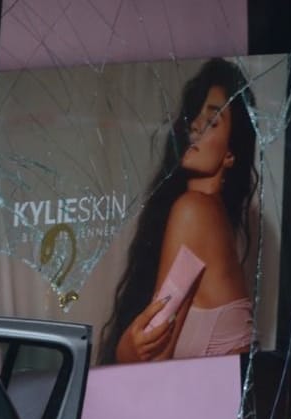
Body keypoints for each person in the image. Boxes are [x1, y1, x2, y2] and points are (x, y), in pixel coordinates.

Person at [104, 58, 259, 364]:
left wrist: (124, 352)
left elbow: (153, 355)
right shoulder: (213, 220)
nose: (196, 125)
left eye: (212, 121)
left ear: (231, 154)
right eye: (196, 115)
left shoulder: (195, 212)